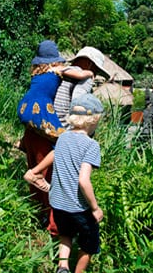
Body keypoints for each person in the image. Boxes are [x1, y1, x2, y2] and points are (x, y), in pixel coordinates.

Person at [17, 40, 93, 233]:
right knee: (63, 143)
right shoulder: (56, 71)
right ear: (54, 62)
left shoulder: (37, 74)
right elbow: (75, 73)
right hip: (41, 109)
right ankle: (35, 173)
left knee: (38, 138)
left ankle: (23, 144)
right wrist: (87, 73)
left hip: (26, 108)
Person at [24, 46, 107, 191]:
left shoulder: (58, 71)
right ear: (90, 64)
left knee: (37, 194)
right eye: (97, 70)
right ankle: (35, 173)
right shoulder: (85, 77)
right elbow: (78, 102)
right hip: (60, 125)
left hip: (40, 122)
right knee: (60, 155)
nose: (95, 74)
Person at [50, 93, 104, 273]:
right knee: (89, 243)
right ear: (94, 120)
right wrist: (95, 208)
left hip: (58, 203)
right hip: (78, 206)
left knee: (66, 234)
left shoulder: (63, 137)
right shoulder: (91, 145)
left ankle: (62, 267)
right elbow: (83, 180)